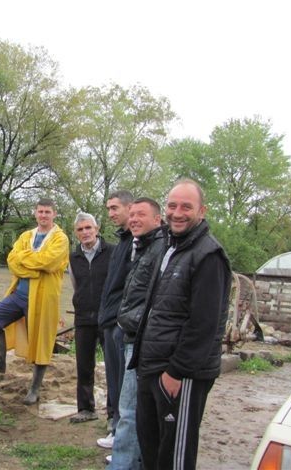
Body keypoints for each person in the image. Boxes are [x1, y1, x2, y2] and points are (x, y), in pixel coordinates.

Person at [131, 179, 232, 470]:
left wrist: (176, 372)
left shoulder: (208, 255)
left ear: (202, 211)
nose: (177, 212)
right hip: (152, 366)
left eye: (186, 206)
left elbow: (205, 324)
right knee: (151, 450)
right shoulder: (170, 248)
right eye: (172, 205)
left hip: (180, 374)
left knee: (174, 457)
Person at [0, 198, 69, 405]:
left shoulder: (60, 239)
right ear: (35, 213)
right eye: (40, 211)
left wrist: (26, 260)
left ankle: (34, 389)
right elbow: (12, 261)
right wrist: (34, 265)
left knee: (40, 342)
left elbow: (49, 262)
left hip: (43, 299)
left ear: (54, 214)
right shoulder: (26, 236)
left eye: (48, 212)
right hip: (19, 295)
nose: (43, 215)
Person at [108, 197, 165, 469]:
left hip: (141, 339)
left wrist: (130, 322)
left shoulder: (160, 248)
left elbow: (159, 300)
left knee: (129, 411)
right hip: (133, 335)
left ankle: (121, 465)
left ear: (157, 219)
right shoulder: (143, 247)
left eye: (141, 215)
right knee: (136, 409)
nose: (133, 219)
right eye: (131, 215)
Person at [68, 212, 114, 423]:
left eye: (89, 228)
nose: (85, 232)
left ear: (97, 229)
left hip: (108, 317)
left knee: (114, 366)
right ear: (76, 234)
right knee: (84, 365)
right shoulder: (73, 257)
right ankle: (86, 409)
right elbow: (75, 286)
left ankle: (114, 413)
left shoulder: (112, 252)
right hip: (83, 317)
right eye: (80, 229)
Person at [96, 190, 134, 449]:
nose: (110, 214)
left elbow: (132, 286)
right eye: (108, 209)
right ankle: (115, 428)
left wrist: (121, 319)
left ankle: (121, 435)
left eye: (115, 208)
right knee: (113, 378)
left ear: (130, 208)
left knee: (122, 381)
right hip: (109, 319)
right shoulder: (122, 240)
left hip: (120, 322)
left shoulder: (136, 241)